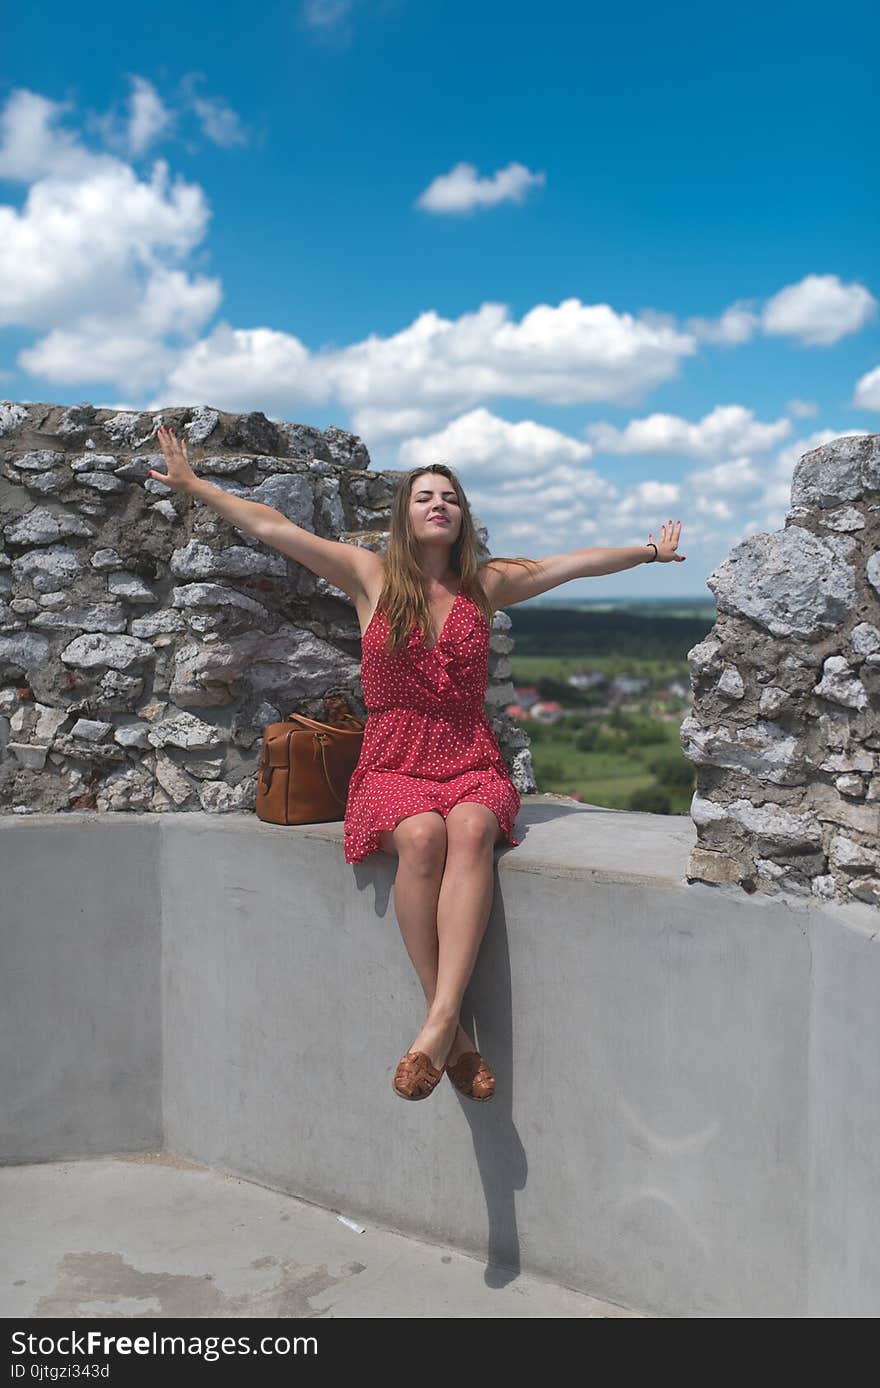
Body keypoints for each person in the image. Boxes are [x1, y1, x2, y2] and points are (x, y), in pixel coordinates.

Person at [150, 424, 686, 1104]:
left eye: (451, 498)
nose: (439, 504)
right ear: (406, 513)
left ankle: (435, 1027)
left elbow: (570, 563)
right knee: (424, 838)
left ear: (462, 517)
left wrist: (648, 552)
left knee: (468, 831)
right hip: (393, 758)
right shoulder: (370, 577)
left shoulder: (484, 585)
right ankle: (454, 1035)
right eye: (426, 496)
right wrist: (195, 486)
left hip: (467, 755)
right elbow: (277, 528)